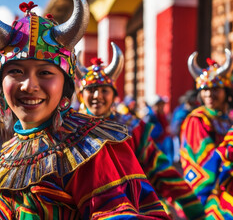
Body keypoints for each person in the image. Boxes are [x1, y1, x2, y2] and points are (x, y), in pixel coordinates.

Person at [0, 0, 169, 219]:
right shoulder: (11, 149)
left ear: (66, 88)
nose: (29, 85)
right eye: (16, 71)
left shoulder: (89, 146)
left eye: (45, 73)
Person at [76, 44, 205, 219]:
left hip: (130, 207)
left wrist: (194, 209)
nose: (97, 95)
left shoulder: (131, 127)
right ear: (81, 95)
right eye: (91, 90)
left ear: (114, 96)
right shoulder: (71, 129)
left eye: (104, 90)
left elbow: (160, 168)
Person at [180, 50, 233, 207]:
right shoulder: (197, 120)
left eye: (215, 89)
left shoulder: (226, 118)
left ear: (227, 92)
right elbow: (206, 161)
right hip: (209, 193)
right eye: (205, 90)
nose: (209, 94)